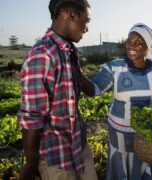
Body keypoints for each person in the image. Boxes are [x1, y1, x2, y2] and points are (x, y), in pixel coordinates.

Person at [17, 0, 97, 179]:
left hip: (80, 148)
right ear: (72, 15)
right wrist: (31, 166)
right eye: (87, 20)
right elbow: (32, 117)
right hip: (57, 160)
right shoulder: (42, 55)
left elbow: (80, 85)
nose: (87, 28)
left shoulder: (69, 51)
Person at [88, 23, 152, 180]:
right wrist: (74, 74)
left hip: (149, 137)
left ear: (148, 47)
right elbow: (94, 88)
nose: (131, 46)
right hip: (121, 139)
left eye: (138, 42)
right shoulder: (115, 68)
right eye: (129, 41)